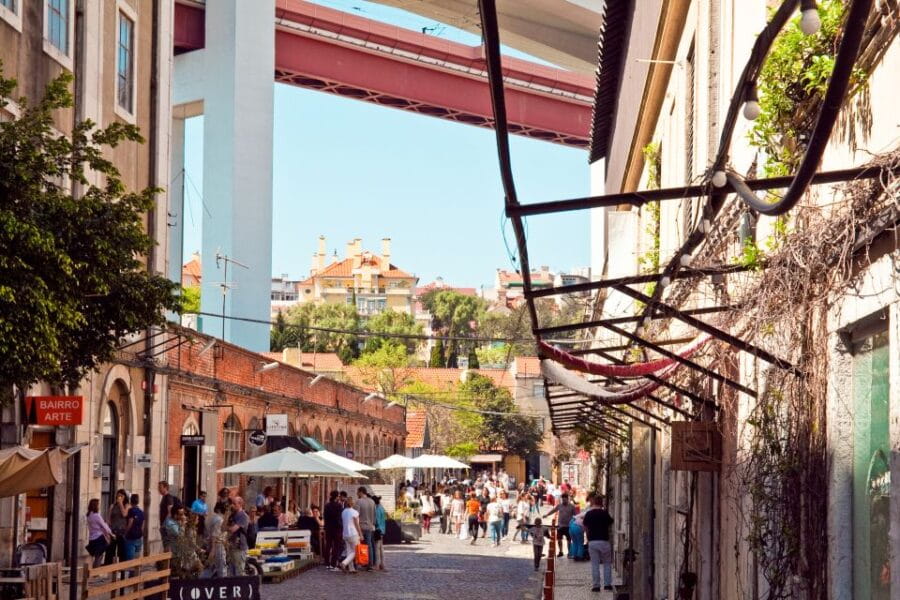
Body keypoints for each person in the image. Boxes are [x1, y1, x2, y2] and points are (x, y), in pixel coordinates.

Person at [583, 495, 615, 592]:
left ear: (593, 502)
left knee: (595, 564)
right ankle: (607, 584)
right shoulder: (604, 513)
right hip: (604, 540)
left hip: (593, 541)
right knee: (607, 564)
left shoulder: (589, 514)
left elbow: (585, 527)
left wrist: (588, 537)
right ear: (602, 503)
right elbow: (611, 523)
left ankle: (596, 586)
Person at [543, 493, 577, 558]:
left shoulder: (572, 506)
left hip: (568, 526)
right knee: (559, 539)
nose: (564, 501)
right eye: (563, 500)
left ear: (568, 499)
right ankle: (561, 551)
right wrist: (547, 515)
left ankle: (569, 552)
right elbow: (553, 510)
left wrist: (575, 523)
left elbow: (575, 515)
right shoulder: (559, 505)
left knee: (569, 540)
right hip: (560, 526)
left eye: (565, 500)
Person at [86, 498, 113, 568]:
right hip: (99, 538)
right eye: (98, 505)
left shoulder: (89, 515)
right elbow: (104, 525)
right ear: (95, 506)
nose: (99, 506)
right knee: (99, 556)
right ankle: (96, 571)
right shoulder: (97, 516)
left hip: (92, 538)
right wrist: (111, 533)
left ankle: (94, 570)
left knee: (96, 555)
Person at [202, 502, 227, 578]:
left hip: (212, 545)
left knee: (212, 568)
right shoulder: (219, 520)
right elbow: (215, 535)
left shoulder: (212, 518)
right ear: (219, 509)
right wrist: (213, 549)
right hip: (218, 545)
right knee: (221, 569)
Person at [226, 497, 250, 577]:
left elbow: (233, 529)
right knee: (231, 573)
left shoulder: (243, 516)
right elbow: (223, 527)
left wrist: (227, 528)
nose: (232, 505)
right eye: (232, 503)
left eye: (234, 504)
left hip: (240, 547)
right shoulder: (232, 515)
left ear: (240, 504)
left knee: (239, 572)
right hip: (231, 546)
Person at [355, 487, 376, 570]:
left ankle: (363, 562)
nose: (357, 494)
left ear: (361, 492)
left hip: (361, 526)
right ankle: (370, 564)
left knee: (361, 545)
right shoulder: (372, 501)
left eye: (357, 492)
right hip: (370, 526)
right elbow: (374, 515)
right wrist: (372, 524)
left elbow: (356, 515)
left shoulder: (359, 502)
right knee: (369, 545)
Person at [106, 489, 129, 564]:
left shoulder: (126, 505)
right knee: (110, 551)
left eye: (121, 496)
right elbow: (108, 519)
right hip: (113, 531)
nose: (119, 497)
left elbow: (124, 514)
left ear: (124, 497)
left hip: (121, 531)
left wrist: (121, 503)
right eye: (118, 495)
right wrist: (108, 530)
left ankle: (121, 568)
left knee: (121, 552)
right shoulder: (113, 506)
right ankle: (109, 567)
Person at [340, 497, 362, 573]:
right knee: (356, 551)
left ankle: (351, 569)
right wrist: (360, 534)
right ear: (353, 503)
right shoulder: (355, 512)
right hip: (353, 534)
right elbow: (357, 524)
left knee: (349, 551)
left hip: (345, 534)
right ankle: (344, 563)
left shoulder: (343, 512)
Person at [158, 481, 182, 551]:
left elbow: (170, 512)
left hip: (166, 527)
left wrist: (165, 525)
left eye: (160, 487)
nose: (159, 489)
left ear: (165, 488)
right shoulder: (164, 497)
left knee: (167, 547)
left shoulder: (168, 497)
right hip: (165, 525)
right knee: (166, 546)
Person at [323, 491, 344, 569]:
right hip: (337, 528)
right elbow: (340, 517)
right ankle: (333, 562)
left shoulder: (327, 506)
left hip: (329, 527)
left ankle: (326, 561)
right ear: (336, 497)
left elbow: (325, 517)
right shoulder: (339, 506)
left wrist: (326, 526)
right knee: (336, 546)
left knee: (328, 545)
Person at [123, 494, 145, 562]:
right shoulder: (141, 512)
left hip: (131, 537)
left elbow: (130, 523)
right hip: (139, 536)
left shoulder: (131, 511)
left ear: (131, 501)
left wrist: (125, 533)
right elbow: (142, 526)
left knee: (130, 559)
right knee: (137, 558)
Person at [373, 495, 387, 572]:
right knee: (381, 548)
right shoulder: (381, 508)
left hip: (378, 530)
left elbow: (377, 521)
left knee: (377, 548)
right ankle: (382, 564)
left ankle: (377, 565)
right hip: (382, 530)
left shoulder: (377, 509)